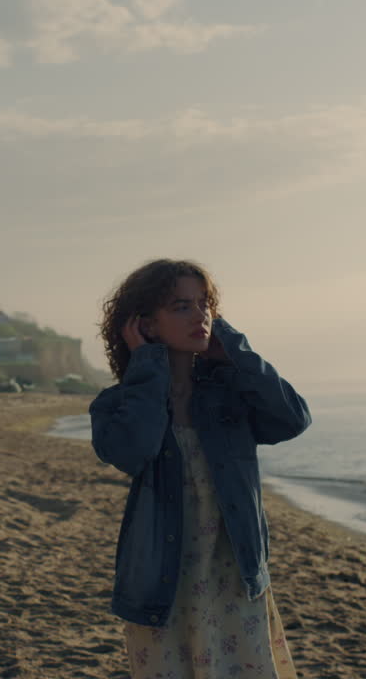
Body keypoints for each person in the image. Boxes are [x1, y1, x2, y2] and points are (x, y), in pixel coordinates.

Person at [88, 258, 311, 678]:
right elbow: (133, 449)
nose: (201, 315)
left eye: (205, 303)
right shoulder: (117, 404)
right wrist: (147, 369)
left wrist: (235, 349)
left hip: (234, 577)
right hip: (162, 587)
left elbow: (292, 419)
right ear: (146, 325)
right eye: (181, 306)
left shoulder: (230, 394)